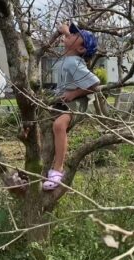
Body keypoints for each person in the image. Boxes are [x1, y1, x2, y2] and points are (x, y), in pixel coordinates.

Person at [42, 21, 100, 191]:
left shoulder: (73, 62)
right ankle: (45, 163)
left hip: (77, 103)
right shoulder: (68, 59)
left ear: (81, 49)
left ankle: (58, 169)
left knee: (59, 125)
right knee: (45, 124)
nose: (70, 35)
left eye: (75, 36)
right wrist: (65, 34)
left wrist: (74, 94)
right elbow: (68, 41)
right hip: (64, 101)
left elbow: (95, 84)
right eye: (72, 33)